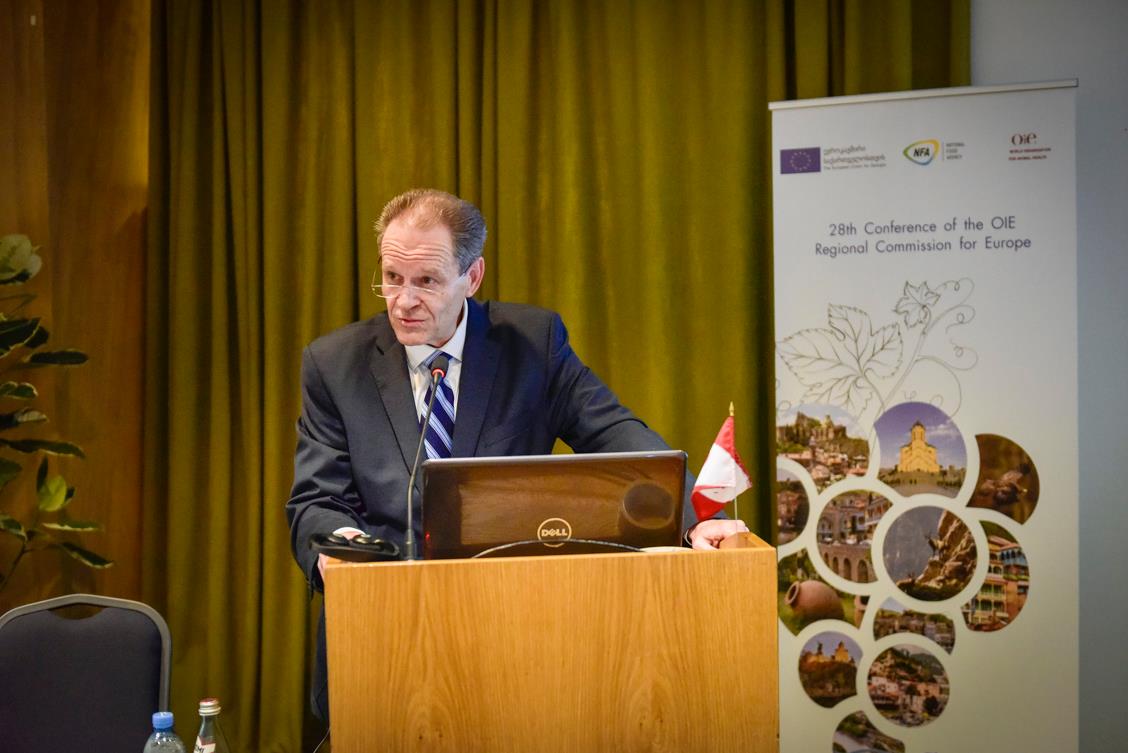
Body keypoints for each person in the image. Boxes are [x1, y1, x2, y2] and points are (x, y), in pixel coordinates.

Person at [285, 188, 746, 720]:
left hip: (510, 628)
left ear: (472, 277)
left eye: (427, 281)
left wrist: (692, 517)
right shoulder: (334, 364)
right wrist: (340, 544)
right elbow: (316, 498)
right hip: (381, 635)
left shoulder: (532, 344)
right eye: (392, 277)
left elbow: (614, 433)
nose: (403, 301)